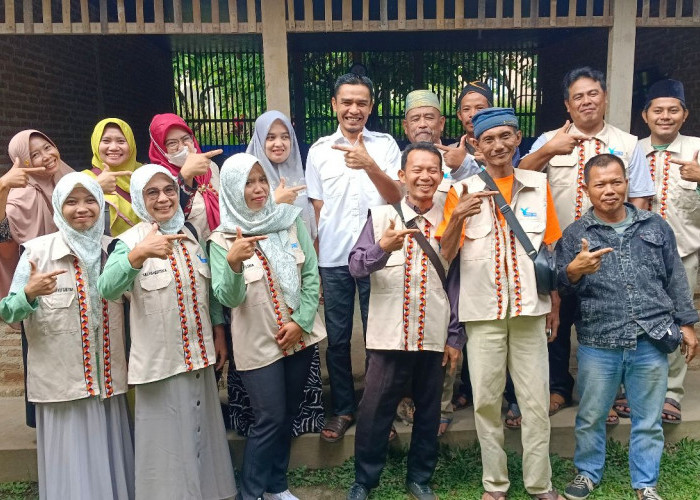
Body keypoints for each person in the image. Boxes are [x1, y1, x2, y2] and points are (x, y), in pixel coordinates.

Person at [438, 108, 564, 500]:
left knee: (534, 402)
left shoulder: (537, 184)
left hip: (530, 309)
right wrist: (457, 217)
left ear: (518, 138)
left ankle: (539, 483)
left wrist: (554, 304)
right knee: (488, 402)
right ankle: (495, 485)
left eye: (505, 136)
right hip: (483, 313)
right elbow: (443, 254)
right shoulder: (460, 190)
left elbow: (549, 251)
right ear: (475, 144)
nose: (498, 146)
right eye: (488, 139)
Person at [556, 154, 698, 500]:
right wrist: (574, 271)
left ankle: (645, 482)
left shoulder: (654, 226)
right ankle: (588, 473)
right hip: (599, 340)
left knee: (648, 419)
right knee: (591, 416)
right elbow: (560, 286)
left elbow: (675, 277)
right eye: (600, 184)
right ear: (586, 189)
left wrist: (688, 323)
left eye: (616, 182)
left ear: (626, 183)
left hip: (650, 336)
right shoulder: (576, 234)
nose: (609, 190)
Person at [519, 67, 656, 420]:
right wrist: (549, 149)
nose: (586, 101)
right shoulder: (551, 138)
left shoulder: (627, 143)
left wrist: (627, 241)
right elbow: (519, 177)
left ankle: (608, 393)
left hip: (612, 249)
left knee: (608, 319)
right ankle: (558, 388)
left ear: (605, 97)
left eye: (593, 93)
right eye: (578, 96)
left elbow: (640, 197)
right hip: (557, 251)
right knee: (557, 320)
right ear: (567, 105)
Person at [98, 164, 236, 500]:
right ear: (139, 199)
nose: (163, 198)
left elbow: (209, 293)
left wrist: (219, 332)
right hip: (160, 362)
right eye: (152, 192)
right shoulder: (127, 241)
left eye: (169, 190)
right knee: (165, 445)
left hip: (198, 355)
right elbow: (107, 288)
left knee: (201, 433)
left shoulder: (191, 234)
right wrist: (137, 255)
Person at [0, 173, 133, 500]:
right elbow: (7, 312)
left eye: (89, 200)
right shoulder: (37, 251)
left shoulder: (113, 250)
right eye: (71, 202)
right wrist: (28, 294)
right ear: (59, 206)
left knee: (109, 458)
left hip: (106, 384)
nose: (82, 209)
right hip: (62, 386)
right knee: (72, 465)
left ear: (101, 204)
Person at [346, 142, 463, 500]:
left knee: (429, 411)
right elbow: (355, 266)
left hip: (432, 333)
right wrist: (382, 247)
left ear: (441, 177)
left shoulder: (450, 219)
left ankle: (420, 478)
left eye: (433, 170)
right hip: (389, 336)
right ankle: (364, 480)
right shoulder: (381, 217)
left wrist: (455, 336)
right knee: (374, 412)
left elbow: (458, 281)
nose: (425, 176)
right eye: (417, 169)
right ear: (402, 176)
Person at [209, 153, 326, 500]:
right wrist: (232, 264)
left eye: (262, 180)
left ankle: (277, 486)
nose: (258, 189)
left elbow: (310, 275)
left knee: (288, 414)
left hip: (299, 337)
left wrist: (301, 321)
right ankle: (252, 492)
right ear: (231, 189)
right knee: (269, 419)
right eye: (248, 182)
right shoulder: (221, 241)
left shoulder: (289, 221)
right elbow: (228, 300)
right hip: (258, 343)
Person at [305, 72, 402, 442]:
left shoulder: (386, 145)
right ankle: (344, 409)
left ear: (371, 106)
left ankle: (379, 411)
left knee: (379, 336)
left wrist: (369, 164)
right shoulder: (318, 151)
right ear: (334, 105)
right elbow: (317, 211)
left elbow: (395, 195)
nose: (353, 109)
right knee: (339, 338)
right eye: (346, 101)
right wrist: (314, 266)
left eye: (361, 102)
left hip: (378, 255)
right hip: (333, 260)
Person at [216, 111, 325, 438]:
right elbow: (229, 291)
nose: (279, 143)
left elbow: (308, 258)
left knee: (290, 400)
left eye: (285, 136)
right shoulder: (227, 230)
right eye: (270, 138)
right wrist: (270, 206)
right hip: (259, 321)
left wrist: (304, 317)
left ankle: (283, 463)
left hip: (298, 317)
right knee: (267, 409)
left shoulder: (302, 179)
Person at [434, 81, 521, 425]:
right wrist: (459, 166)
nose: (474, 114)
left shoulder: (503, 150)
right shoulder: (450, 153)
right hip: (462, 250)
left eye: (481, 107)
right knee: (463, 321)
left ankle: (509, 396)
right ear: (458, 117)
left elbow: (503, 173)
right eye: (467, 109)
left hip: (506, 257)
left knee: (507, 331)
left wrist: (465, 163)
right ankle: (463, 391)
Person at [400, 90, 479, 436]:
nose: (422, 124)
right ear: (405, 126)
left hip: (456, 258)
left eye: (429, 117)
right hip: (413, 261)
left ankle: (444, 402)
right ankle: (408, 400)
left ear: (442, 123)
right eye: (415, 118)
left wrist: (463, 165)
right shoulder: (403, 163)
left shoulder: (459, 161)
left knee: (451, 329)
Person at [639, 79, 700, 424]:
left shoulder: (697, 148)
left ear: (684, 114)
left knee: (680, 321)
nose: (665, 117)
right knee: (639, 319)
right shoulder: (633, 150)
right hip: (639, 253)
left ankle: (672, 392)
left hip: (684, 250)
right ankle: (636, 388)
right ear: (645, 115)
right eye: (658, 111)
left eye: (672, 110)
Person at [3, 129, 74, 427]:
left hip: (75, 277)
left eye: (48, 147)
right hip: (40, 284)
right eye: (35, 154)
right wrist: (4, 186)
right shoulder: (20, 195)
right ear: (22, 161)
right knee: (42, 346)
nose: (46, 157)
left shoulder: (69, 180)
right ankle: (44, 416)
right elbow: (3, 236)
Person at [148, 113, 223, 240]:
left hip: (221, 247)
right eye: (172, 143)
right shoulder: (154, 179)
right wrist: (185, 176)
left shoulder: (210, 167)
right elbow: (164, 222)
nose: (182, 147)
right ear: (160, 147)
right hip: (190, 251)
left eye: (186, 139)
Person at [83, 118, 142, 236]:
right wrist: (94, 187)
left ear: (131, 144)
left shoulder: (147, 174)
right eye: (106, 141)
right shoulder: (84, 179)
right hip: (107, 251)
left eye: (121, 141)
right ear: (95, 144)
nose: (114, 147)